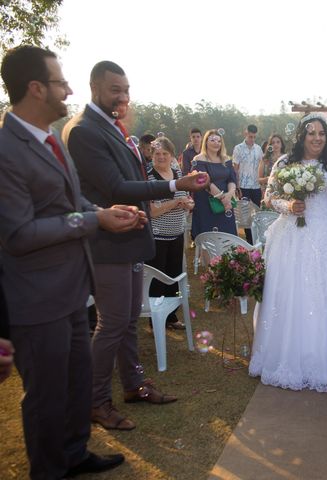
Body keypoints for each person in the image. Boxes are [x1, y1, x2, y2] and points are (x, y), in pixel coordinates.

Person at [0, 45, 151, 479]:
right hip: (35, 296)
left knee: (75, 383)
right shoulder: (8, 149)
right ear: (35, 88)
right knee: (46, 396)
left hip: (71, 289)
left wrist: (104, 212)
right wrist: (92, 218)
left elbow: (73, 198)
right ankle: (48, 469)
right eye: (59, 82)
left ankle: (74, 452)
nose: (68, 90)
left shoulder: (51, 137)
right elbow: (19, 233)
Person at [64, 60, 209, 432]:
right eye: (116, 89)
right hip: (107, 243)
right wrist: (175, 186)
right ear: (95, 87)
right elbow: (114, 186)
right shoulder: (83, 130)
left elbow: (128, 181)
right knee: (112, 324)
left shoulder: (114, 128)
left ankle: (134, 385)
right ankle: (96, 401)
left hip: (130, 238)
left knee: (128, 321)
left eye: (126, 89)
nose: (123, 96)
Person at [249, 114, 327, 392]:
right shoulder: (284, 163)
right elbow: (269, 197)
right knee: (291, 293)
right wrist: (288, 206)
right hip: (291, 235)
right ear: (301, 136)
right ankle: (289, 355)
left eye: (322, 133)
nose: (317, 138)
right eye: (311, 133)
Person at [146, 136, 194, 329]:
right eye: (157, 154)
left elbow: (187, 199)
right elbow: (153, 211)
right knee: (158, 277)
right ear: (152, 155)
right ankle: (155, 318)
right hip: (158, 236)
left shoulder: (177, 173)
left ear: (172, 156)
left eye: (165, 153)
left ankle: (171, 317)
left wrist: (188, 204)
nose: (161, 157)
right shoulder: (149, 177)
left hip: (177, 233)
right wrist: (175, 203)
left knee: (174, 275)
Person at [191, 129, 238, 237]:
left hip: (226, 205)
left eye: (219, 140)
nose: (216, 143)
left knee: (227, 238)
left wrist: (229, 195)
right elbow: (204, 182)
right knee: (208, 240)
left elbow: (232, 179)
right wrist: (222, 198)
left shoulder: (226, 159)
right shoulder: (199, 159)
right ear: (206, 142)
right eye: (212, 140)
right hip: (206, 204)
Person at [232, 124, 263, 243]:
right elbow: (235, 168)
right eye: (250, 136)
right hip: (243, 186)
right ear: (246, 133)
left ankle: (257, 237)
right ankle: (249, 240)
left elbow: (261, 167)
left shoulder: (258, 149)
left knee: (256, 212)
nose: (252, 139)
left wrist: (262, 184)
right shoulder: (238, 148)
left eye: (254, 137)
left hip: (256, 185)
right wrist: (237, 186)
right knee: (245, 214)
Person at [257, 134, 285, 199]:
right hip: (267, 194)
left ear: (282, 144)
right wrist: (269, 178)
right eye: (273, 143)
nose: (275, 144)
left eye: (278, 142)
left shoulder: (286, 158)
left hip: (283, 194)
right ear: (270, 145)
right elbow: (259, 179)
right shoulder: (265, 159)